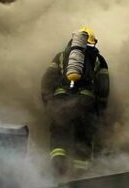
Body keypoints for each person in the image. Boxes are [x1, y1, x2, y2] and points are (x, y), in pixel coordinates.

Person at [40, 26, 110, 177]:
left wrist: (48, 101)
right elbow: (103, 87)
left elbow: (47, 79)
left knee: (59, 133)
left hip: (60, 101)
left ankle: (57, 169)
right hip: (85, 103)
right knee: (83, 136)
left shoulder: (60, 56)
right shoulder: (99, 59)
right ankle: (80, 175)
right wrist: (100, 109)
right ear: (92, 42)